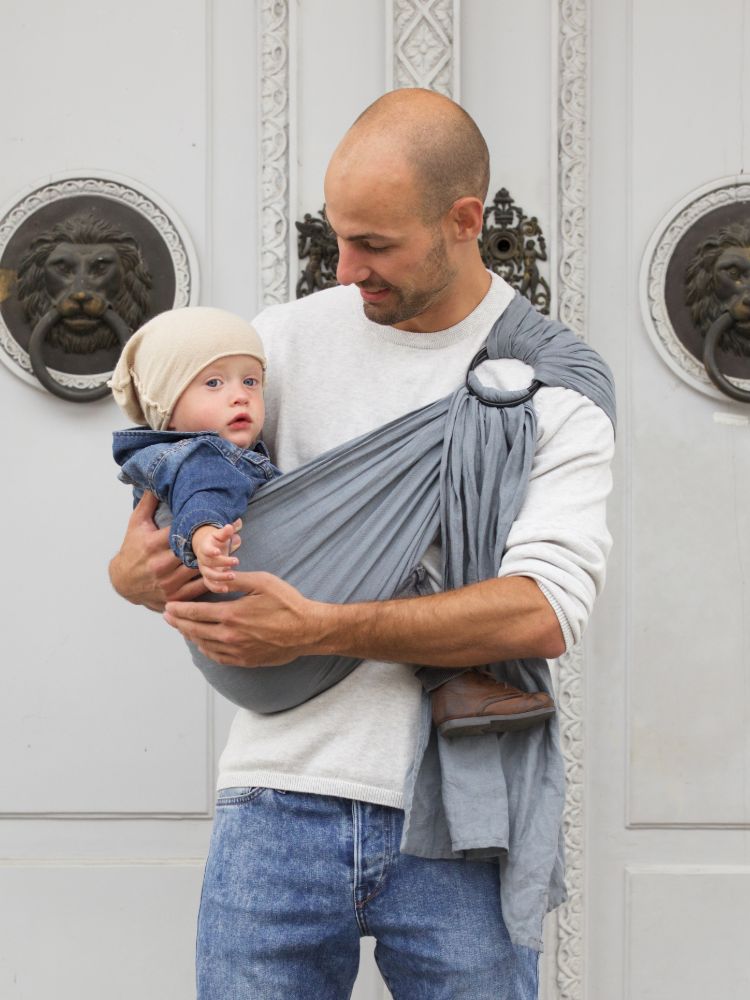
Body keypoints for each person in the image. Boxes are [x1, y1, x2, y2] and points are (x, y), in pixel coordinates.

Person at [109, 88, 614, 999]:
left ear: (464, 221)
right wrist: (133, 574)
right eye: (338, 237)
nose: (346, 270)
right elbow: (169, 515)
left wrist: (320, 626)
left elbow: (545, 609)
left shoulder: (550, 383)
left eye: (375, 245)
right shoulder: (278, 344)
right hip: (274, 802)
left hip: (460, 814)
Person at [109, 307, 281, 594]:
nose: (240, 397)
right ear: (168, 408)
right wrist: (206, 537)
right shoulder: (197, 455)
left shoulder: (183, 454)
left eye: (250, 382)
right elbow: (203, 491)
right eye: (213, 383)